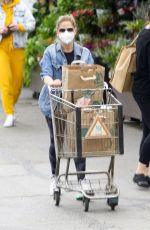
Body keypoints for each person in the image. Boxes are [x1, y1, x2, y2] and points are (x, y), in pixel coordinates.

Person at [39, 14, 94, 196]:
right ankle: (54, 177)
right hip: (54, 102)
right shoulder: (50, 52)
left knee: (79, 140)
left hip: (78, 104)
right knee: (57, 140)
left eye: (69, 29)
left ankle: (81, 179)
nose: (66, 33)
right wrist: (52, 81)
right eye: (62, 30)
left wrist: (88, 95)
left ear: (75, 30)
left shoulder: (84, 54)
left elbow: (92, 77)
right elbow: (45, 74)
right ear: (57, 32)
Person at [0, 0, 35, 127]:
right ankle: (9, 113)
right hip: (1, 50)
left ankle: (11, 107)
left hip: (18, 49)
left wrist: (19, 26)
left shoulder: (21, 6)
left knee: (17, 83)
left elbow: (32, 24)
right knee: (6, 80)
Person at [132, 7, 150, 188]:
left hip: (142, 88)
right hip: (146, 90)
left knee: (147, 129)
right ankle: (140, 170)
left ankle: (144, 172)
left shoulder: (144, 32)